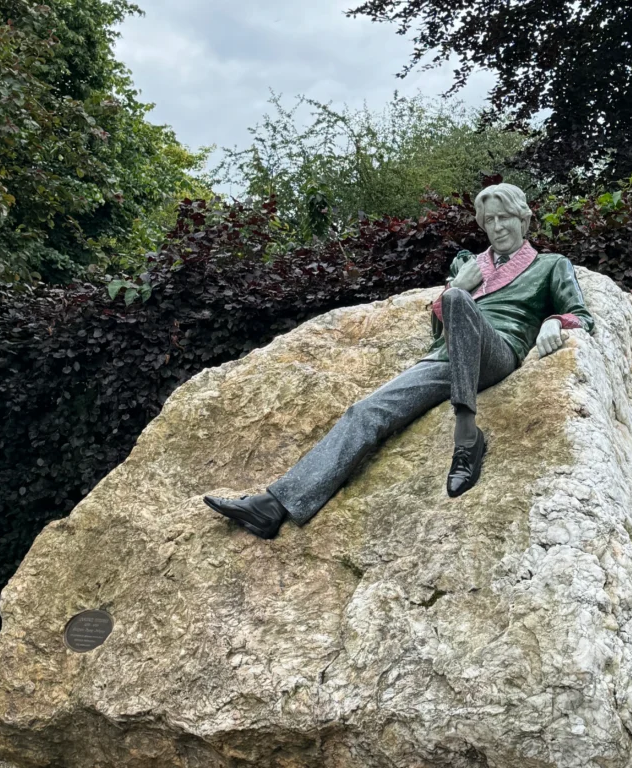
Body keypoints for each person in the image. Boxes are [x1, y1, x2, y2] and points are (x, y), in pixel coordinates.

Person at [203, 183, 595, 539]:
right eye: (489, 220)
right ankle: (275, 506)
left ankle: (467, 438)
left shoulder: (550, 265)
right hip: (447, 358)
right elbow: (437, 328)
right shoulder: (469, 265)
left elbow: (583, 315)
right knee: (365, 412)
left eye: (504, 217)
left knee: (457, 300)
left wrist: (554, 322)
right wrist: (460, 284)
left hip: (498, 353)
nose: (496, 227)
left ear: (524, 217)